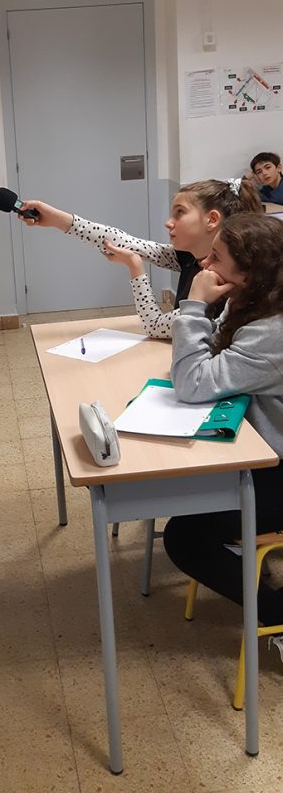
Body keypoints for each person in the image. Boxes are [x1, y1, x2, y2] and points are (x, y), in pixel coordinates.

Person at [163, 213, 283, 628]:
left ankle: (275, 614)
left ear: (249, 273)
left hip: (276, 467)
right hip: (259, 450)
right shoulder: (252, 299)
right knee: (180, 486)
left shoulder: (273, 331)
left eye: (216, 257)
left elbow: (192, 382)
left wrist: (194, 305)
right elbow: (208, 353)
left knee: (185, 538)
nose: (205, 264)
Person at [19, 179, 261, 339]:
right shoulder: (192, 258)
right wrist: (57, 219)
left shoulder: (222, 286)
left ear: (212, 220)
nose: (169, 222)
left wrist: (135, 268)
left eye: (180, 213)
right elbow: (123, 240)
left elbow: (154, 326)